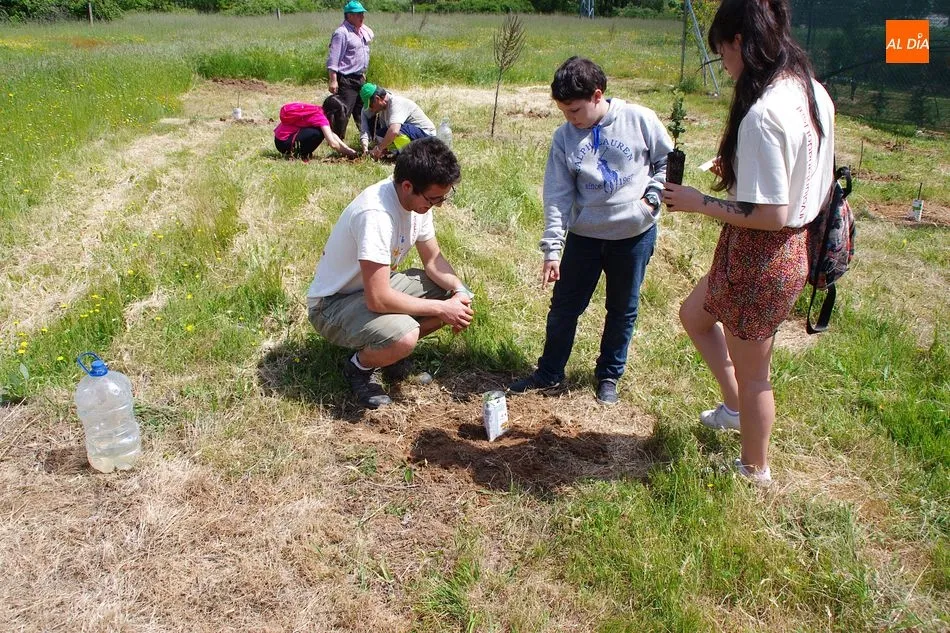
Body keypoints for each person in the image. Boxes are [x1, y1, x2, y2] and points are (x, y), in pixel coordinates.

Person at [662, 0, 835, 485]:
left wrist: (699, 202)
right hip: (782, 247)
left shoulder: (763, 114)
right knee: (694, 315)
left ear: (739, 42)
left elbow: (771, 214)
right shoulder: (811, 91)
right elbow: (801, 171)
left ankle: (754, 470)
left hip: (765, 255)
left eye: (723, 53)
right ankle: (735, 408)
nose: (725, 65)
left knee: (757, 373)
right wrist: (742, 175)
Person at [508, 57, 673, 406]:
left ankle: (609, 376)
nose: (570, 118)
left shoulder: (639, 119)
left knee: (622, 308)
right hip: (584, 238)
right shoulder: (564, 137)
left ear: (598, 96)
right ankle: (549, 372)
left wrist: (652, 200)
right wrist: (552, 249)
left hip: (633, 236)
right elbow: (557, 195)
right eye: (564, 111)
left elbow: (668, 161)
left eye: (575, 110)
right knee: (564, 307)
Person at [306, 137, 474, 409]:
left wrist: (459, 291)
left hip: (371, 288)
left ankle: (390, 353)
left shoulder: (415, 202)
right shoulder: (376, 215)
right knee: (406, 334)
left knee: (447, 293)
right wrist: (443, 309)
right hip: (332, 305)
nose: (439, 205)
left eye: (443, 197)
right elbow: (378, 299)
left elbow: (433, 259)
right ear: (408, 186)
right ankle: (359, 367)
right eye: (434, 199)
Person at [325, 0, 374, 140]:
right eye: (359, 14)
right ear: (349, 16)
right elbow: (333, 58)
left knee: (364, 111)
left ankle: (367, 140)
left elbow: (360, 54)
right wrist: (333, 80)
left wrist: (362, 73)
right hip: (346, 78)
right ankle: (338, 143)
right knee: (343, 112)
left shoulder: (361, 32)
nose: (362, 17)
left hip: (359, 78)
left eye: (363, 14)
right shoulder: (341, 33)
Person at [358, 83, 436, 159]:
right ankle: (398, 153)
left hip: (426, 136)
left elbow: (394, 131)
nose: (371, 109)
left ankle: (410, 157)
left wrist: (379, 148)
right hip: (412, 135)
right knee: (381, 134)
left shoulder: (396, 103)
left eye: (371, 106)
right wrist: (382, 148)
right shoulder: (383, 110)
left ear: (377, 99)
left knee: (395, 131)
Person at [274, 102, 357, 160]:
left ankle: (300, 151)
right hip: (284, 144)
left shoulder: (317, 110)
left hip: (279, 139)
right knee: (319, 133)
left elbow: (332, 134)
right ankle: (300, 154)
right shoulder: (321, 119)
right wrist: (349, 154)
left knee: (321, 131)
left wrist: (349, 150)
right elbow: (333, 144)